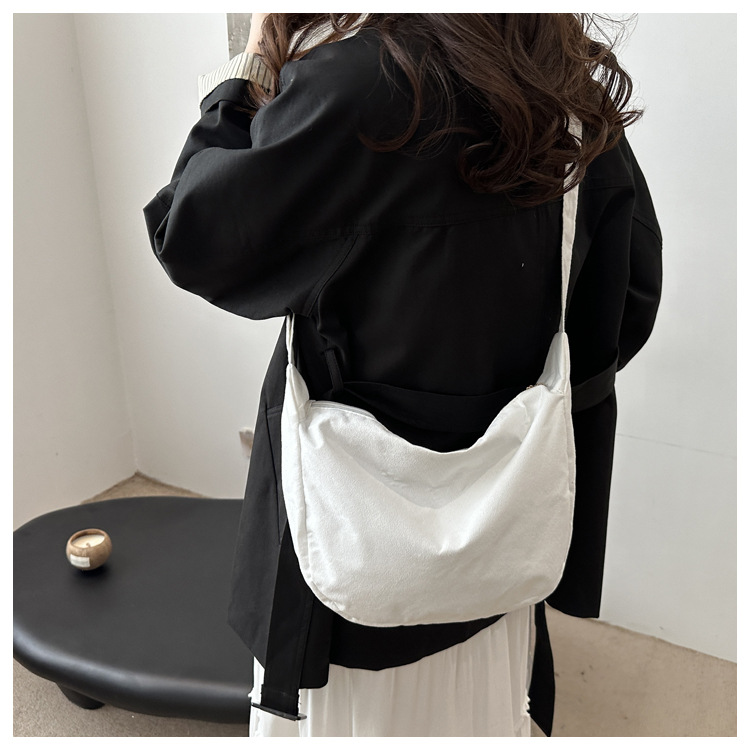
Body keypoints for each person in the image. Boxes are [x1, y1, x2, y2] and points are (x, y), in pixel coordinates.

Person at [144, 13, 662, 737]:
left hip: (346, 556)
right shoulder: (564, 84)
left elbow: (190, 233)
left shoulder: (351, 89)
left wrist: (254, 62)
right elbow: (625, 300)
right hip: (503, 538)